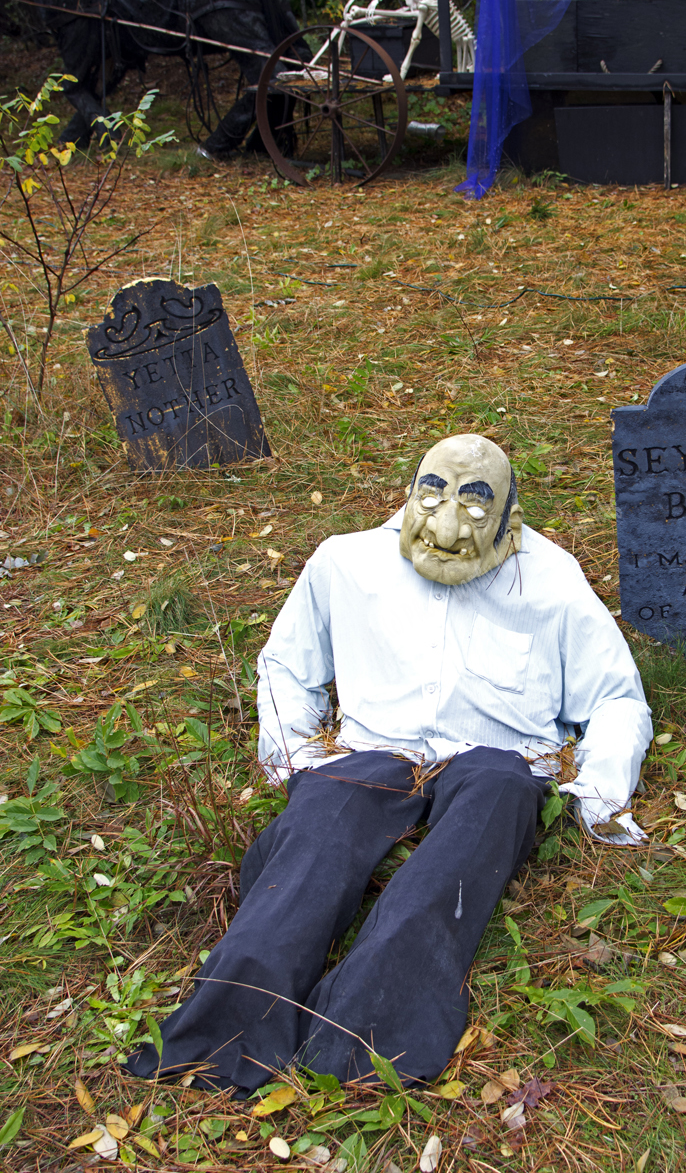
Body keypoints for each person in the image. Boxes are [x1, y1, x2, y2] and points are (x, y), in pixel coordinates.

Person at [124, 434, 652, 1095]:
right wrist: (296, 758)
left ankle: (367, 1032)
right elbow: (288, 666)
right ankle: (226, 1028)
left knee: (477, 827)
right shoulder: (346, 562)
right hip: (375, 751)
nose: (446, 530)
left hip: (500, 758)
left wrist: (596, 795)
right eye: (431, 505)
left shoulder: (549, 577)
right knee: (315, 837)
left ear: (508, 522)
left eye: (472, 514)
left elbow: (616, 698)